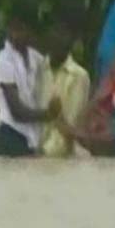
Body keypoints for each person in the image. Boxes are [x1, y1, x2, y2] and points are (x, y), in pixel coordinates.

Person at [0, 3, 61, 157]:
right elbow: (17, 111)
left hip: (28, 138)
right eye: (13, 29)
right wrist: (47, 115)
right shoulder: (4, 59)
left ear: (31, 31)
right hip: (8, 136)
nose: (16, 35)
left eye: (21, 29)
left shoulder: (36, 59)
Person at [38, 20, 91, 158]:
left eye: (63, 39)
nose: (59, 43)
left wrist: (57, 114)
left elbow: (72, 124)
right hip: (37, 150)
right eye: (55, 38)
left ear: (70, 44)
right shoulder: (38, 70)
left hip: (64, 154)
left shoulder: (79, 76)